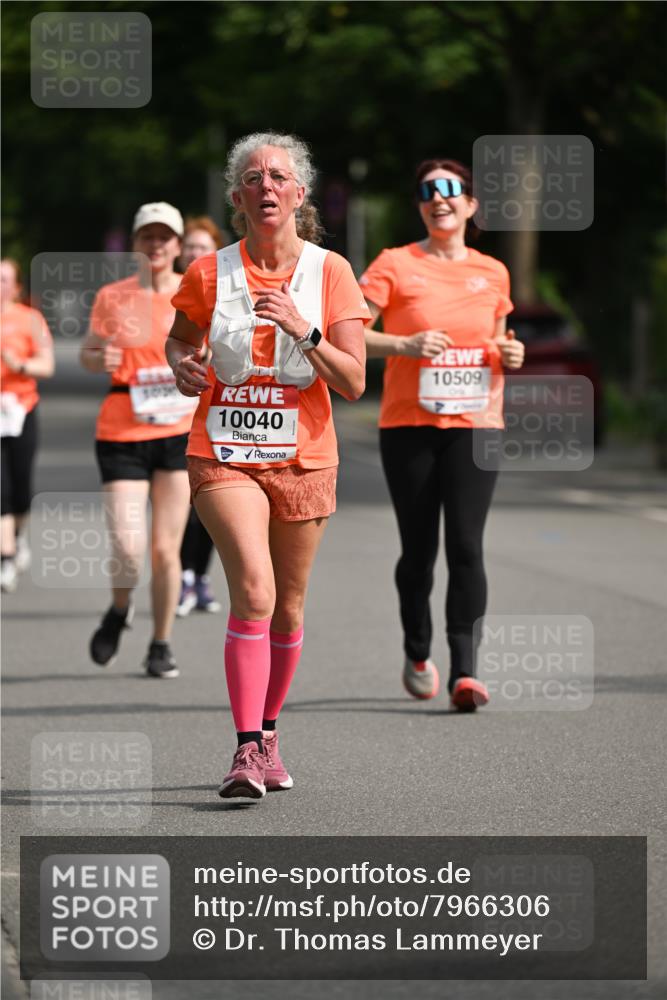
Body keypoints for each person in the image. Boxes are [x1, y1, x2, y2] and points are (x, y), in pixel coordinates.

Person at [167, 131, 368, 799]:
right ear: (237, 198)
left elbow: (352, 383)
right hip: (223, 452)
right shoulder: (209, 272)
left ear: (299, 194)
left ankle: (271, 732)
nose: (266, 186)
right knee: (252, 589)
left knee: (287, 608)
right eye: (252, 178)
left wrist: (303, 331)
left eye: (278, 176)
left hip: (305, 458)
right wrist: (183, 366)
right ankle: (246, 749)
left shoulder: (329, 272)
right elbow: (178, 342)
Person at [360, 159, 525, 711]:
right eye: (430, 192)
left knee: (466, 546)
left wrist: (512, 352)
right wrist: (404, 346)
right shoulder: (394, 264)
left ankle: (466, 673)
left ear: (471, 205)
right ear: (421, 206)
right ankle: (417, 649)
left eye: (452, 191)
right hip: (409, 424)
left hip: (476, 424)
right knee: (419, 551)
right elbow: (350, 335)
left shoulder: (494, 272)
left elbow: (500, 341)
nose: (441, 199)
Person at [80, 202, 196, 677]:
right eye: (147, 236)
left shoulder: (194, 292)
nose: (156, 245)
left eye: (164, 237)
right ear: (135, 242)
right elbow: (89, 353)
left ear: (177, 244)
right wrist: (98, 359)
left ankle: (161, 642)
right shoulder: (113, 296)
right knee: (128, 547)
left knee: (166, 550)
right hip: (123, 428)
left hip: (178, 430)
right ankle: (120, 607)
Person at [175, 217, 228, 617]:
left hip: (208, 417)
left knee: (209, 508)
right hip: (165, 419)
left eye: (202, 247)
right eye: (189, 246)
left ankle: (199, 576)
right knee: (181, 508)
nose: (194, 253)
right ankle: (180, 575)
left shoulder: (221, 291)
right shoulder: (167, 294)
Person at [1, 258, 55, 593]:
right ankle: (5, 556)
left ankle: (18, 537)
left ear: (17, 286)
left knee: (21, 486)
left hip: (21, 409)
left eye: (5, 279)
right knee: (0, 487)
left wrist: (19, 364)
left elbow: (47, 365)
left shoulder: (29, 318)